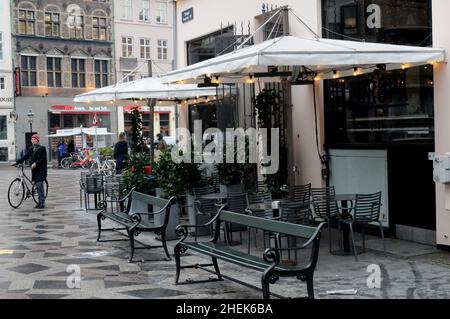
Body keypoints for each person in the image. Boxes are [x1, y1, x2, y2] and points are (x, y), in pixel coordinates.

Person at [11, 134, 48, 209]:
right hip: (34, 170)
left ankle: (42, 203)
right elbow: (25, 156)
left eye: (34, 139)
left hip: (41, 170)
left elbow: (43, 159)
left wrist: (36, 163)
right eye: (32, 139)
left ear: (37, 140)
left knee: (39, 184)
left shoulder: (42, 148)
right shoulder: (31, 148)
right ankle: (39, 202)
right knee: (36, 184)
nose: (32, 141)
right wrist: (17, 162)